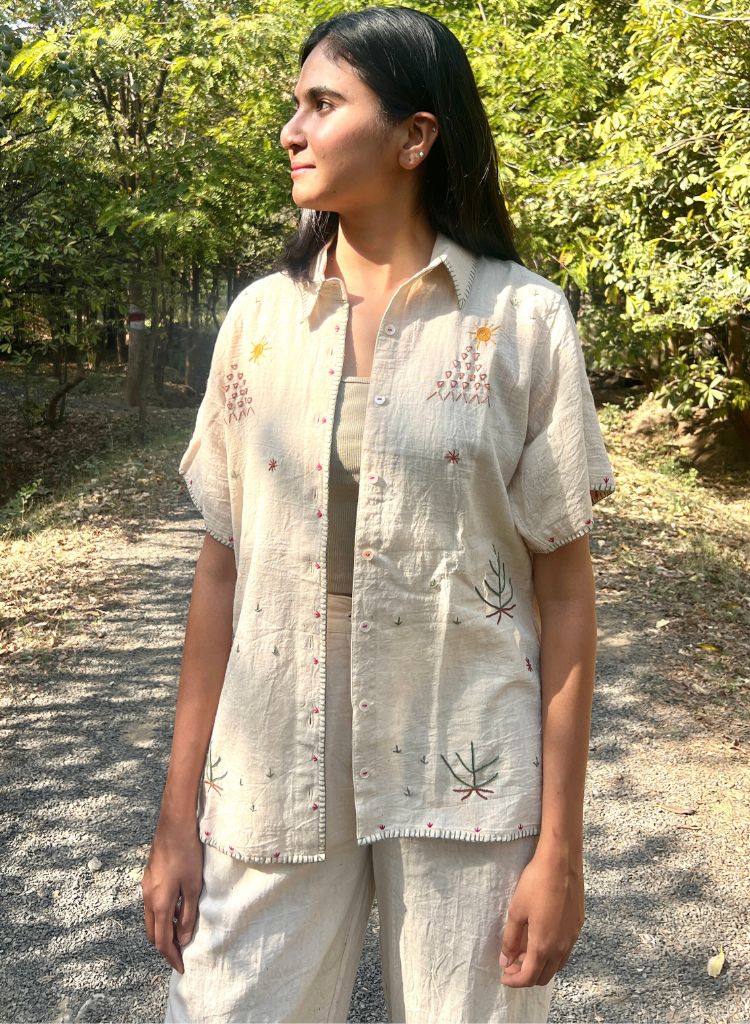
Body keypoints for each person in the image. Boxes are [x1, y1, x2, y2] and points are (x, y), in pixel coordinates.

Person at [141, 6, 616, 1023]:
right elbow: (220, 573)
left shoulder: (521, 321)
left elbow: (566, 594)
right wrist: (176, 819)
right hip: (273, 741)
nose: (292, 131)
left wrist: (561, 850)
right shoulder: (260, 321)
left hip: (465, 745)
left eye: (323, 104)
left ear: (414, 135)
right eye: (295, 105)